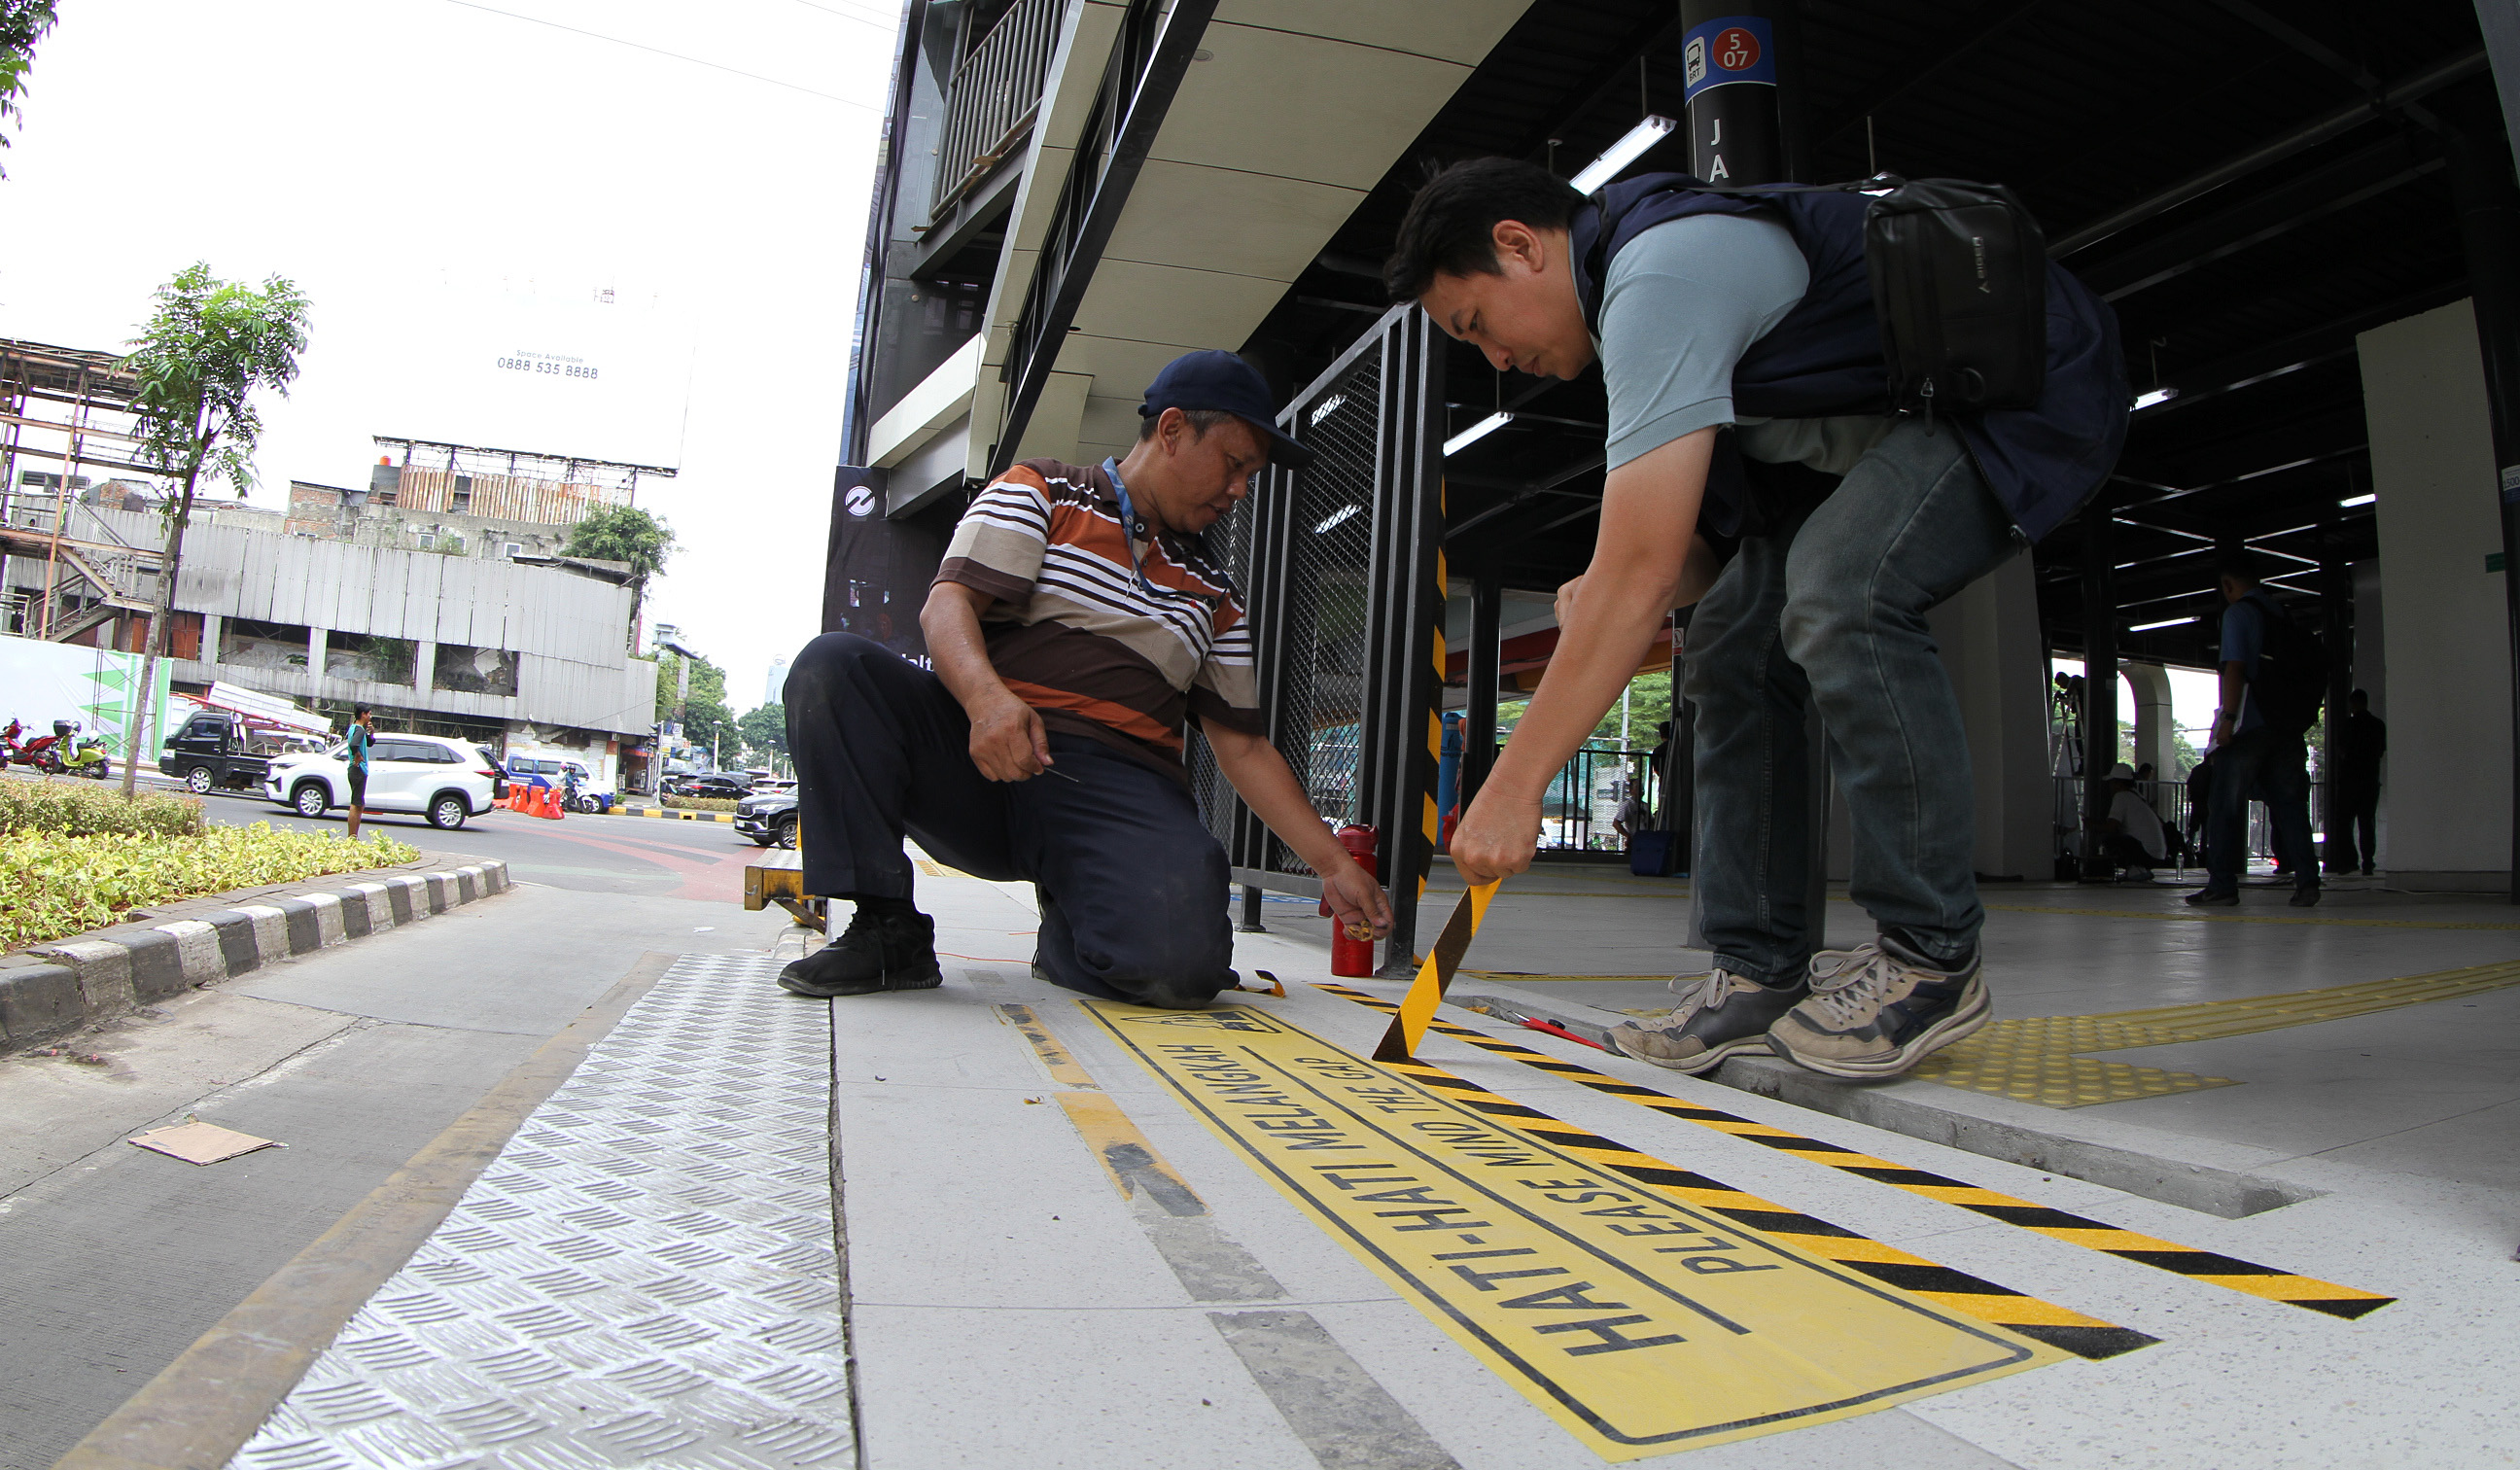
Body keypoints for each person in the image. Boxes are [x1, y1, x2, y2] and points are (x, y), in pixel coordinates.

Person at [1385, 158, 2125, 1077]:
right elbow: (1692, 558)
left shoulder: (1657, 274)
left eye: (1476, 325)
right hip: (1875, 444)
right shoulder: (1639, 311)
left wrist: (1510, 788)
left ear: (1519, 246)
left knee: (1841, 587)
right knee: (1733, 636)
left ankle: (1931, 957)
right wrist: (1603, 587)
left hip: (2020, 391)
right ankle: (1759, 967)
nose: (1496, 360)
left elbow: (1644, 575)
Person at [777, 351, 1391, 1006]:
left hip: (1117, 789)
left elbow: (1242, 746)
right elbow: (947, 604)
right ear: (1174, 430)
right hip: (984, 753)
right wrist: (987, 702)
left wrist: (1332, 864)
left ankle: (1071, 928)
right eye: (1234, 464)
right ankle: (885, 927)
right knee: (834, 670)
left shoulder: (1215, 596)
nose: (1240, 488)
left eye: (1251, 476)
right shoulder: (1041, 492)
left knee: (1180, 971)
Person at [2189, 556, 2321, 908]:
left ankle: (2222, 884)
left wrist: (2228, 721)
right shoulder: (2282, 615)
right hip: (2287, 727)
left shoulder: (2238, 614)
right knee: (2291, 806)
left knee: (2224, 805)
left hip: (2252, 726)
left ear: (2229, 585)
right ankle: (2307, 882)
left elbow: (2235, 669)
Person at [2329, 687, 2387, 875]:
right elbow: (2380, 750)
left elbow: (2342, 750)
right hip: (2370, 779)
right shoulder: (2378, 725)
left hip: (2349, 781)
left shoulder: (2348, 725)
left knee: (2344, 822)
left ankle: (2348, 862)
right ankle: (2368, 862)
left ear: (2353, 704)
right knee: (2367, 822)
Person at [2090, 762, 2167, 881]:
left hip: (2147, 854)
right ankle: (2138, 869)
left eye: (2111, 782)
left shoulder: (2121, 797)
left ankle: (2135, 869)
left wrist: (2092, 826)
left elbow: (2111, 827)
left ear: (2118, 783)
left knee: (2110, 839)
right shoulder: (2136, 796)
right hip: (2158, 855)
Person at [344, 704, 373, 840]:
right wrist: (357, 755)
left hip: (355, 770)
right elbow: (353, 744)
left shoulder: (356, 729)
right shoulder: (359, 731)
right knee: (356, 805)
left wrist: (371, 732)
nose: (370, 717)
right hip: (358, 770)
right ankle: (352, 837)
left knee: (359, 804)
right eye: (369, 714)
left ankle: (353, 836)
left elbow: (369, 743)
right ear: (363, 714)